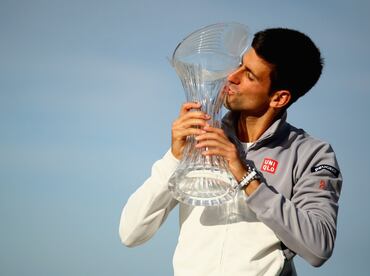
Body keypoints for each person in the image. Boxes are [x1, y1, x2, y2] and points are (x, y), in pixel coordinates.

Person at [119, 27, 342, 276]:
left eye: (249, 75)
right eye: (239, 64)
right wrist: (174, 157)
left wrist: (245, 176)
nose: (231, 77)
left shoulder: (310, 153)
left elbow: (318, 247)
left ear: (279, 98)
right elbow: (131, 233)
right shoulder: (202, 137)